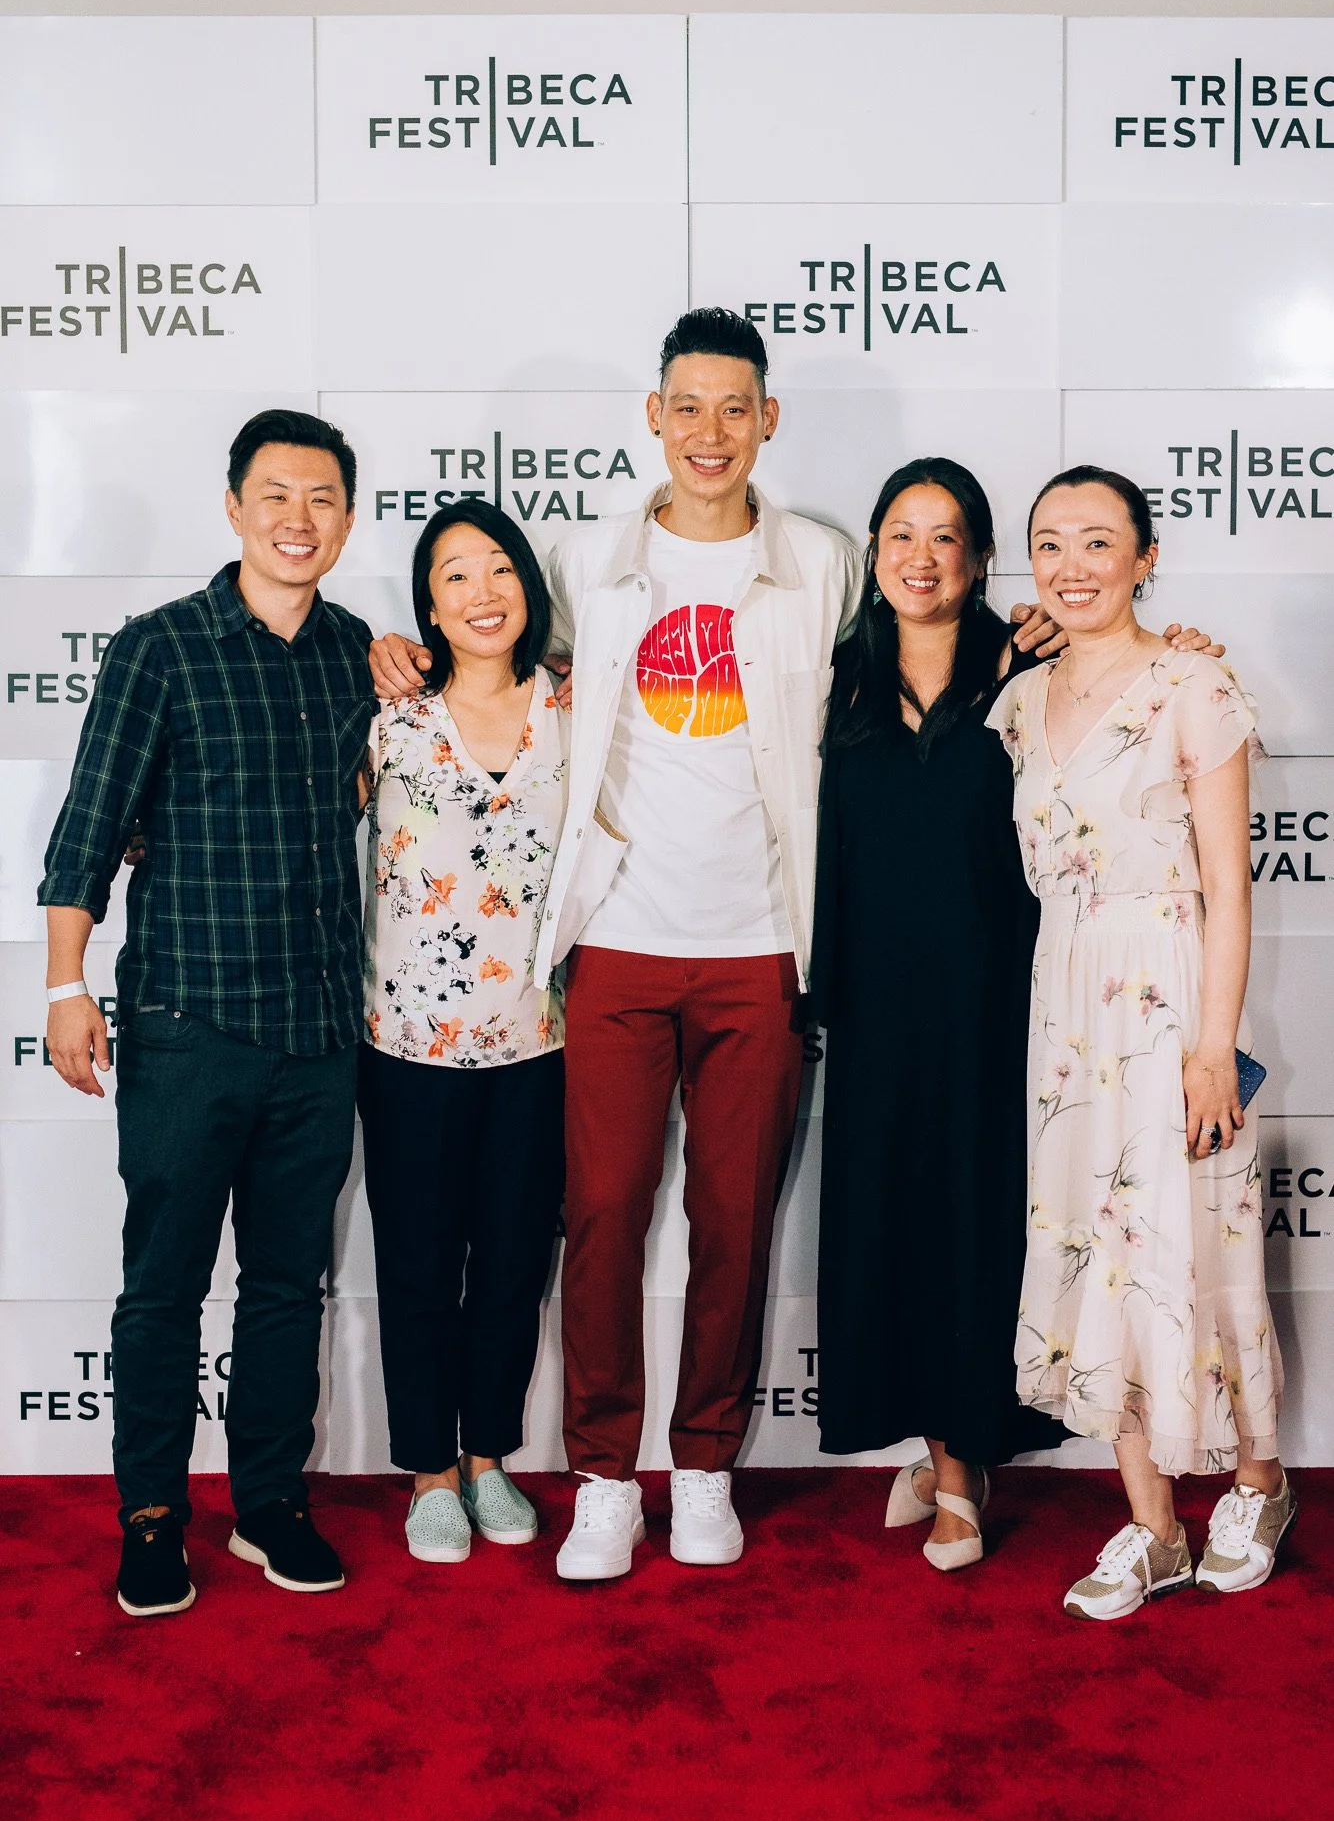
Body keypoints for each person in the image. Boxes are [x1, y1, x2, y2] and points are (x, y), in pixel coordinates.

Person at [371, 308, 862, 1577]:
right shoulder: (587, 560)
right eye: (684, 406)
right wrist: (382, 650)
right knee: (596, 1216)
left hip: (761, 944)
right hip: (614, 947)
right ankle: (603, 1475)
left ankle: (701, 1467)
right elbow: (493, 668)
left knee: (735, 1221)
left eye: (733, 406)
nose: (708, 431)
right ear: (653, 416)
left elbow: (916, 664)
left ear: (768, 418)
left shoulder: (822, 564)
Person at [40, 408, 375, 1618]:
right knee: (163, 1285)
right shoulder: (161, 650)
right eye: (276, 495)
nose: (298, 518)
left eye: (323, 497)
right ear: (234, 507)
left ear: (348, 516)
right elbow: (88, 828)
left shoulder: (357, 657)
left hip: (320, 1027)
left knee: (291, 1283)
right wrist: (66, 985)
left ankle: (271, 1501)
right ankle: (149, 1517)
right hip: (185, 1022)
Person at [987, 466, 1291, 1620]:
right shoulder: (1017, 702)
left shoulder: (1193, 685)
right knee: (1089, 1254)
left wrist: (1213, 1045)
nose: (1070, 564)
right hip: (1063, 1016)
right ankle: (1151, 1521)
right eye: (1048, 543)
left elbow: (1228, 884)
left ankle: (1257, 1485)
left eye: (1096, 541)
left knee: (1197, 1246)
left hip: (1169, 998)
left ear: (1142, 555)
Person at [812, 458, 1065, 1572]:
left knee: (975, 1221)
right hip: (867, 1003)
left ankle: (963, 1461)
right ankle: (931, 1442)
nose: (920, 556)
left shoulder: (1024, 669)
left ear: (976, 562)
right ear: (873, 552)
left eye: (945, 537)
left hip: (992, 998)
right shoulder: (831, 678)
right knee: (892, 1220)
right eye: (900, 534)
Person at [358, 502, 567, 1564]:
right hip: (406, 1048)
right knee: (419, 1260)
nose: (482, 592)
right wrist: (370, 654)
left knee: (514, 1261)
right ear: (426, 606)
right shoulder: (385, 714)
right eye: (454, 577)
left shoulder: (573, 706)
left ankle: (488, 1454)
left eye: (498, 570)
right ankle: (427, 1469)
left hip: (540, 1044)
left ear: (527, 586)